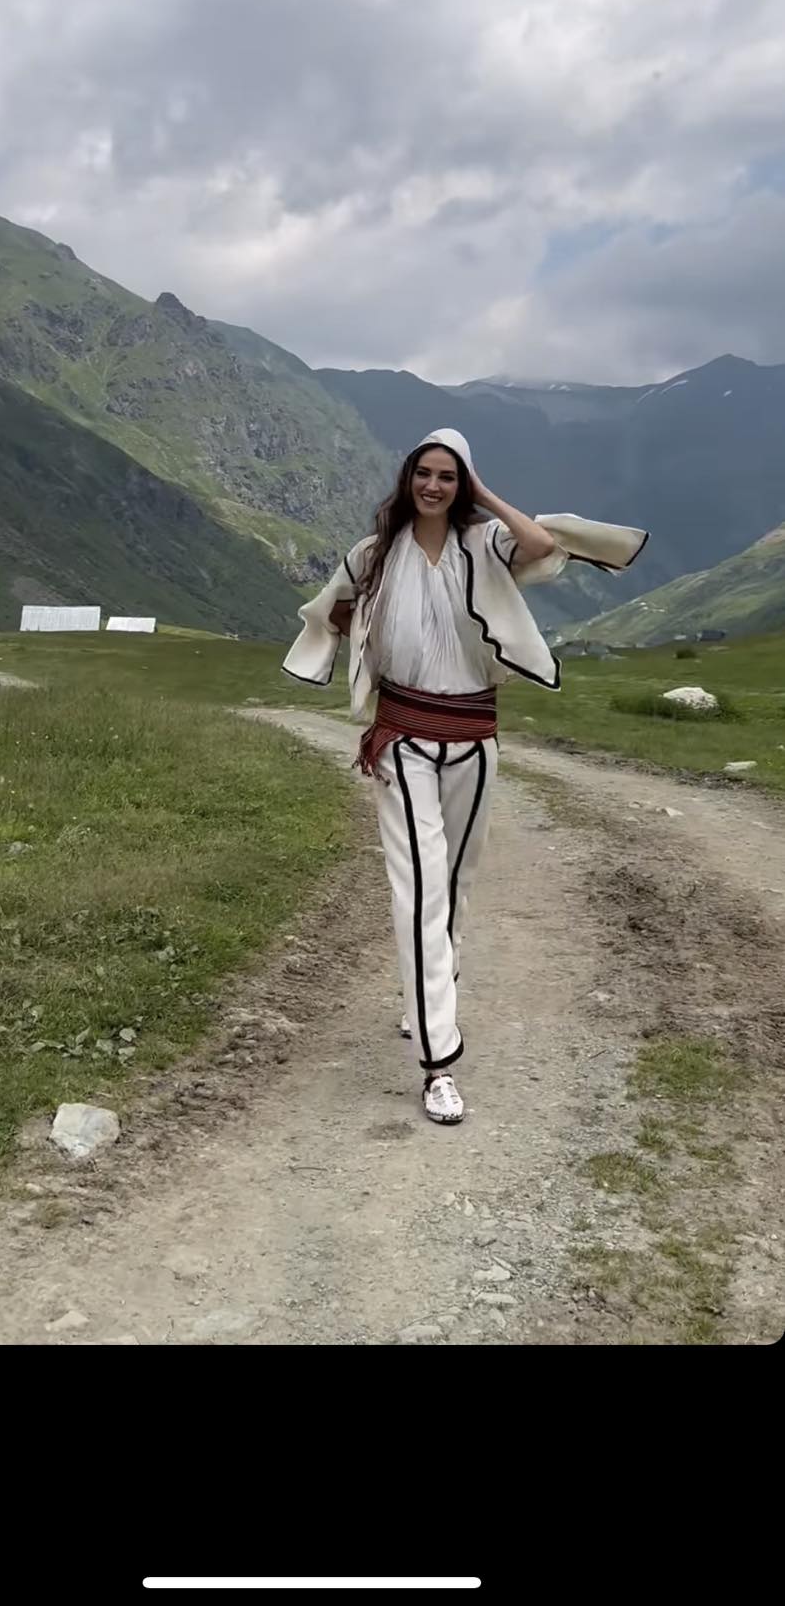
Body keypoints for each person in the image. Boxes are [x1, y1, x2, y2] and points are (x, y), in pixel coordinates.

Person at [283, 427, 647, 1126]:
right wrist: (361, 639)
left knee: (453, 884)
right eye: (424, 473)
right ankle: (437, 1063)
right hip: (401, 741)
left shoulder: (484, 544)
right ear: (406, 478)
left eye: (448, 476)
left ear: (462, 484)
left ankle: (427, 997)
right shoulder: (372, 554)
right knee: (421, 888)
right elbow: (329, 609)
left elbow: (539, 545)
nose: (433, 486)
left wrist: (482, 493)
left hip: (474, 741)